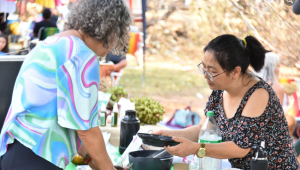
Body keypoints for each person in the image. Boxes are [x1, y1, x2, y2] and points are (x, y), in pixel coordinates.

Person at [0, 0, 131, 170]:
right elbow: (87, 131)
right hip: (37, 160)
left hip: (17, 153)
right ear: (112, 30)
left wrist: (102, 165)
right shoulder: (82, 56)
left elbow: (74, 128)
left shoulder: (51, 43)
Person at [154, 34, 299, 169]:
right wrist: (169, 135)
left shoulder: (259, 93)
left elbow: (240, 148)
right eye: (204, 68)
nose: (205, 75)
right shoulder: (219, 89)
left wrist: (196, 148)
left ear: (235, 72)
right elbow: (203, 129)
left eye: (212, 70)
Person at [255, 52, 297, 137]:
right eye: (278, 66)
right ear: (271, 67)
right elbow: (276, 118)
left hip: (250, 129)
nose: (279, 69)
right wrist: (290, 105)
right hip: (267, 134)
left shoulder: (252, 83)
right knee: (291, 120)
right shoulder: (277, 87)